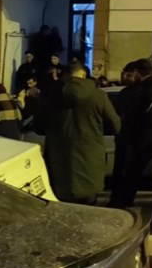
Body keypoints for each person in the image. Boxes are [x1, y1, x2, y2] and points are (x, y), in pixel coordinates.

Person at [45, 62, 121, 204]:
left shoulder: (51, 96)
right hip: (90, 156)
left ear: (65, 75)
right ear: (84, 75)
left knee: (63, 204)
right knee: (89, 204)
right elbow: (115, 125)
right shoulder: (98, 96)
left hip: (60, 158)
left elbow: (39, 125)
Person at [109, 59, 152, 207]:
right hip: (149, 142)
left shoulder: (135, 93)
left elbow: (124, 118)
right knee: (133, 179)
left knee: (125, 178)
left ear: (137, 73)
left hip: (133, 143)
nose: (125, 78)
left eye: (129, 74)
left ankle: (119, 205)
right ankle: (124, 202)